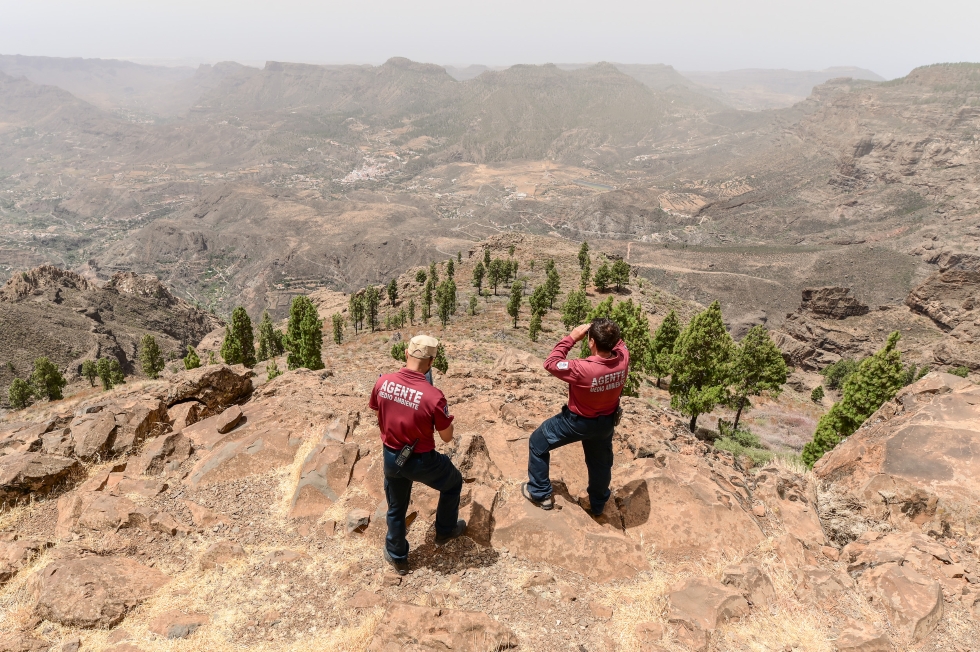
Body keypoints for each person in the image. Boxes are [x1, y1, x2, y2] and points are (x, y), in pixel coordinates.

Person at [370, 335, 465, 575]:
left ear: (406, 353)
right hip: (422, 459)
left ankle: (398, 557)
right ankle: (445, 531)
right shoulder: (434, 396)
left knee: (396, 506)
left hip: (391, 456)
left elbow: (377, 410)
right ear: (432, 361)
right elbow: (446, 437)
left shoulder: (383, 382)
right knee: (453, 483)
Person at [522, 318, 629, 515]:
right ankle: (597, 506)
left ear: (591, 343)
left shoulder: (583, 368)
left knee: (538, 442)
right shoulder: (623, 359)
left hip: (576, 423)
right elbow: (620, 343)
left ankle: (540, 494)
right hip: (606, 424)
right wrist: (605, 330)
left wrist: (572, 337)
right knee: (600, 464)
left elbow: (551, 363)